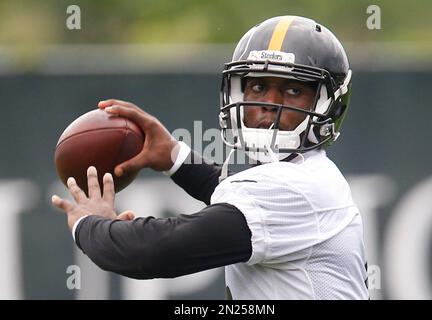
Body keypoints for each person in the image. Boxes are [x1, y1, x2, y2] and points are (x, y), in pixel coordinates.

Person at [52, 15, 369, 300]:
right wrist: (175, 157)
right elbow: (242, 203)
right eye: (258, 86)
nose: (270, 104)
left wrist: (89, 225)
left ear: (329, 103)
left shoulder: (294, 187)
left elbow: (155, 252)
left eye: (293, 91)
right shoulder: (310, 177)